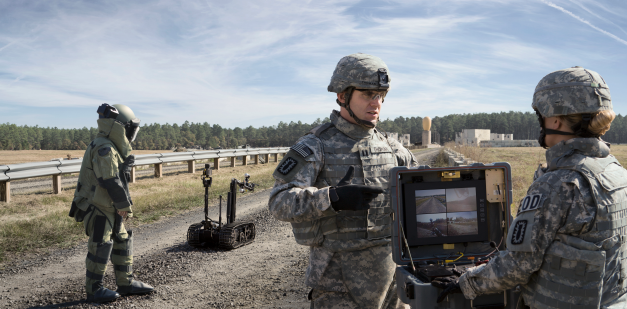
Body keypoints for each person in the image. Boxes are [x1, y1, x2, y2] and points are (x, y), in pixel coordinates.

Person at [432, 66, 627, 308]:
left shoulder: (557, 184)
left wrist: (467, 282)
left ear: (555, 118)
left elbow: (516, 266)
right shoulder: (617, 172)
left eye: (540, 116)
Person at [268, 53, 417, 309]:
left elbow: (421, 187)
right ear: (342, 96)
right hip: (338, 284)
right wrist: (331, 198)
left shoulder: (391, 147)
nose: (376, 103)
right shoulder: (316, 145)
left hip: (392, 279)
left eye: (380, 95)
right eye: (367, 94)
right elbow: (278, 202)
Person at [69, 103, 154, 303]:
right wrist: (124, 206)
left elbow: (115, 177)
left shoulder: (111, 146)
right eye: (129, 128)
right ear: (119, 127)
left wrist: (123, 169)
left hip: (109, 206)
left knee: (122, 240)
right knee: (101, 245)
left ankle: (126, 283)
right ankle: (94, 289)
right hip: (98, 207)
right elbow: (109, 180)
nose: (131, 133)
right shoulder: (104, 147)